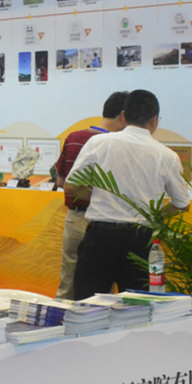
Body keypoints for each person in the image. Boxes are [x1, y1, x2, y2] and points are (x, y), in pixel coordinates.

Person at [66, 89, 190, 298]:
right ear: (154, 121)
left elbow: (71, 186)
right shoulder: (167, 156)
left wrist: (100, 196)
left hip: (100, 238)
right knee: (137, 308)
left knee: (88, 306)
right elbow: (182, 204)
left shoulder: (99, 143)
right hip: (140, 240)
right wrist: (154, 215)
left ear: (123, 116)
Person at [52, 91, 128, 299]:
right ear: (123, 116)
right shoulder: (115, 144)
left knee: (68, 281)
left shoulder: (74, 138)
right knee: (102, 288)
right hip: (103, 222)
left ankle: (60, 318)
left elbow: (60, 182)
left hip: (74, 219)